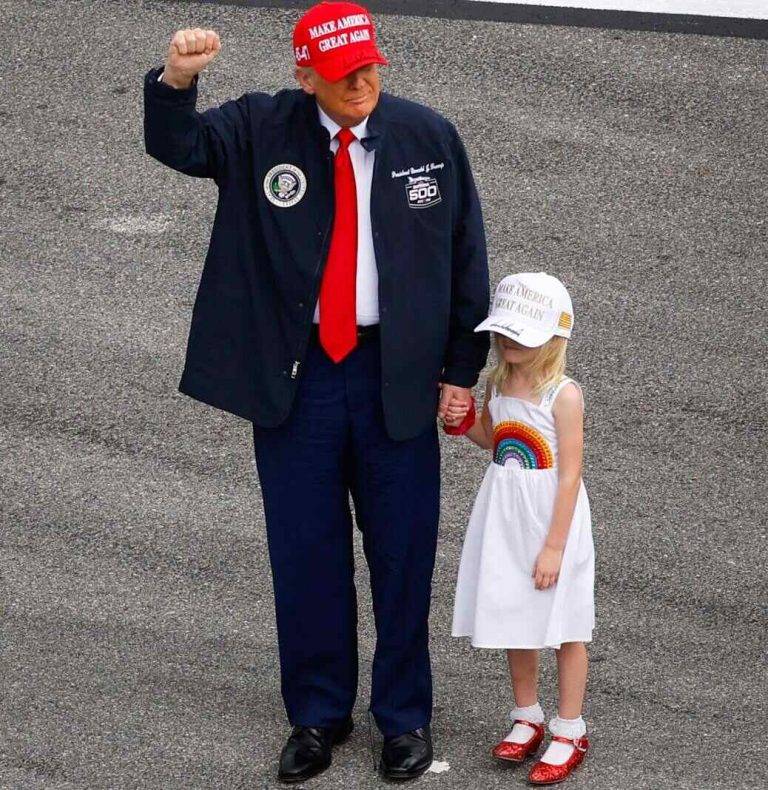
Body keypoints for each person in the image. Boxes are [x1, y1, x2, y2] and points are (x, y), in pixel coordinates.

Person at [142, 1, 490, 783]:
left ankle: (404, 717)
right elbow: (178, 143)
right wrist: (174, 82)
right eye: (342, 74)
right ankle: (317, 714)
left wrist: (461, 372)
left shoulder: (428, 138)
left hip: (394, 376)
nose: (362, 80)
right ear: (306, 77)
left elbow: (468, 256)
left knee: (402, 555)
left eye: (370, 66)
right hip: (299, 383)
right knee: (306, 554)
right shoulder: (261, 127)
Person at [446, 272, 595, 785]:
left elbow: (570, 474)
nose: (508, 342)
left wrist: (554, 547)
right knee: (515, 613)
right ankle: (527, 714)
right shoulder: (500, 382)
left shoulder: (564, 395)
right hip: (505, 513)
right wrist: (462, 421)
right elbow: (496, 438)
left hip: (552, 519)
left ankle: (570, 727)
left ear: (553, 337)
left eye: (521, 334)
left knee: (566, 625)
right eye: (503, 333)